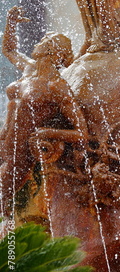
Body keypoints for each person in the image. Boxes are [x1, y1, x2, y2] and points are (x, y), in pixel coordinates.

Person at [0, 6, 88, 212]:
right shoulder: (30, 68)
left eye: (45, 41)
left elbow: (81, 133)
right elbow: (9, 50)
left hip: (19, 158)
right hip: (4, 142)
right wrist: (11, 24)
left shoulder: (56, 86)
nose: (39, 42)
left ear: (56, 51)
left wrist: (47, 132)